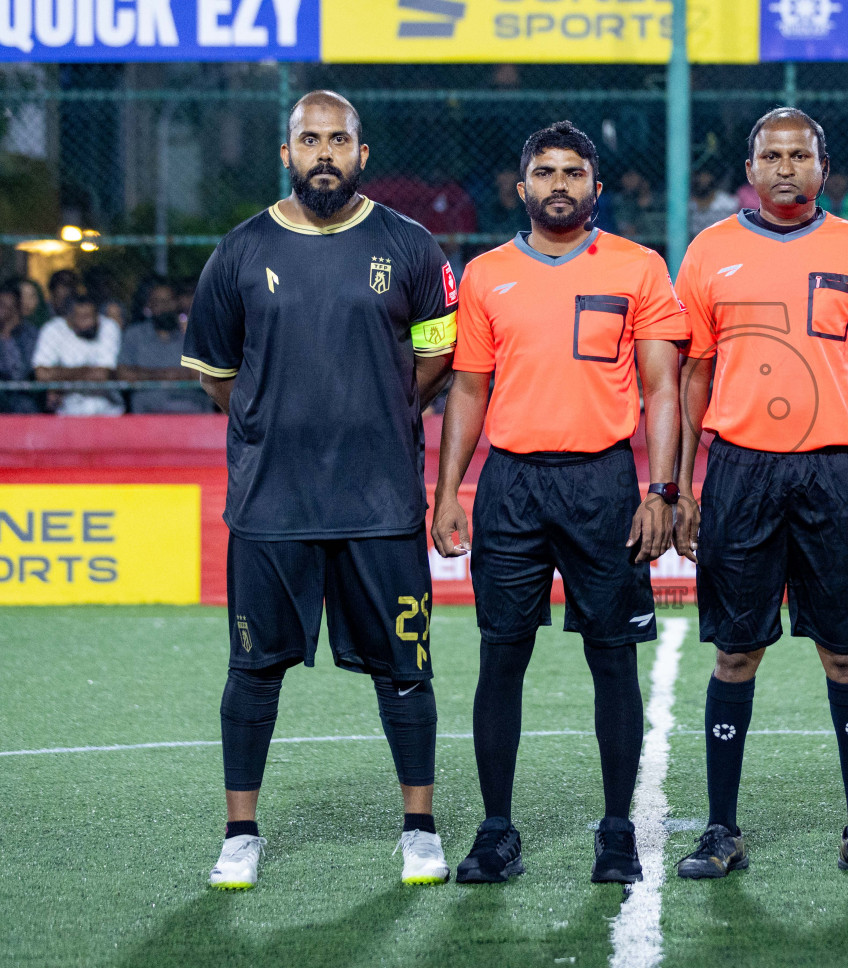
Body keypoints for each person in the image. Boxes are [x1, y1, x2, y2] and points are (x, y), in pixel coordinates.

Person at [183, 90, 459, 891]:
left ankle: (419, 829)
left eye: (339, 139)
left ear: (362, 154)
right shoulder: (237, 252)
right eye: (310, 139)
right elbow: (220, 378)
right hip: (272, 506)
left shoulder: (411, 246)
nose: (325, 152)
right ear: (287, 153)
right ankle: (240, 834)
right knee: (252, 671)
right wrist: (277, 423)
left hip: (382, 505)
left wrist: (381, 405)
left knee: (406, 669)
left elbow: (439, 354)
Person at [433, 121, 688, 886]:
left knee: (612, 661)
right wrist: (449, 490)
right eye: (544, 171)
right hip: (511, 484)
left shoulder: (640, 268)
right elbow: (469, 389)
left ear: (595, 188)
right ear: (522, 186)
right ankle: (496, 831)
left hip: (604, 484)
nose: (559, 184)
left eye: (573, 172)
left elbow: (663, 386)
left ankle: (617, 832)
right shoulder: (485, 274)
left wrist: (661, 489)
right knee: (499, 658)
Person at [672, 107, 848, 880]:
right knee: (735, 652)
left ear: (822, 167)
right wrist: (677, 484)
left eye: (799, 155)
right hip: (741, 469)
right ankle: (719, 830)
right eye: (771, 155)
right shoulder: (709, 252)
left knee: (845, 655)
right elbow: (692, 375)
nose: (785, 168)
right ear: (750, 170)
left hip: (837, 472)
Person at [119, 280, 211, 413]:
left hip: (190, 407)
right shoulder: (135, 335)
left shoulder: (194, 333)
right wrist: (159, 375)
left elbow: (210, 373)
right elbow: (123, 374)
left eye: (169, 301)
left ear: (177, 303)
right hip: (148, 410)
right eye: (158, 302)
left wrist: (179, 375)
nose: (165, 307)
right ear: (149, 306)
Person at [33, 295, 122, 416]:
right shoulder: (53, 329)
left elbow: (103, 374)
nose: (90, 322)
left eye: (93, 316)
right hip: (68, 413)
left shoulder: (108, 327)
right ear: (69, 318)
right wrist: (88, 371)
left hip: (108, 411)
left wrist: (59, 376)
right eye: (83, 317)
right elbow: (41, 374)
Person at [0, 280, 41, 412]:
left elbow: (24, 371)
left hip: (23, 395)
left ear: (16, 307)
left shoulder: (30, 334)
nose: (2, 310)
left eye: (5, 306)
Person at [688, 167, 737, 237]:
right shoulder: (688, 204)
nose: (703, 179)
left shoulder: (727, 203)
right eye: (700, 176)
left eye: (706, 176)